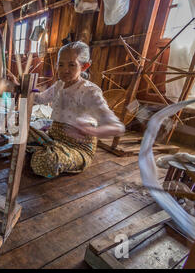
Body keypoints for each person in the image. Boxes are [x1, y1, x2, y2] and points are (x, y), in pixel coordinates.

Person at [27, 41, 125, 178]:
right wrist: (20, 86)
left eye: (72, 65)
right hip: (53, 137)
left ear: (84, 66)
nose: (64, 70)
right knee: (20, 131)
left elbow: (117, 128)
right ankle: (43, 149)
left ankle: (42, 152)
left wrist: (91, 130)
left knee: (46, 161)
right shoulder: (59, 85)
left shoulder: (90, 92)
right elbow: (39, 99)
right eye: (61, 64)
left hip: (78, 148)